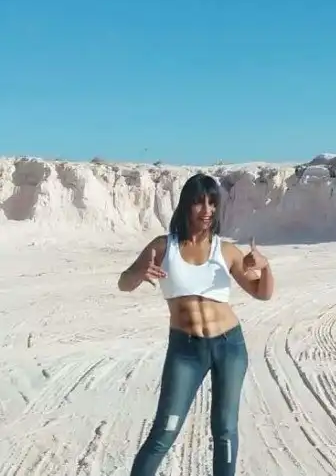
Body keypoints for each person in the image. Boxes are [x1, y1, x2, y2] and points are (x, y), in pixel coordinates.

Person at [117, 172, 274, 476]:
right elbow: (124, 283)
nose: (207, 210)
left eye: (212, 203)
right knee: (165, 430)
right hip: (185, 350)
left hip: (229, 346)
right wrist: (138, 273)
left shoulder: (225, 250)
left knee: (225, 430)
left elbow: (262, 293)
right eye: (199, 203)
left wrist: (265, 267)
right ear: (186, 205)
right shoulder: (163, 246)